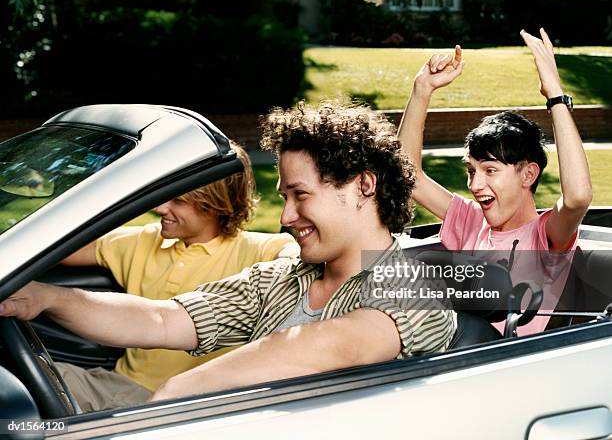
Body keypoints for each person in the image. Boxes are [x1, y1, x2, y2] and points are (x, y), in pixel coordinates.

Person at [0, 101, 456, 404]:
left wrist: (176, 393)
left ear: (363, 186)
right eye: (284, 197)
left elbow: (338, 343)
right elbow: (163, 320)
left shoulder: (414, 283)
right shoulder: (280, 279)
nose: (285, 217)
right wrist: (49, 298)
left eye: (301, 195)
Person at [51, 141, 298, 411]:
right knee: (32, 378)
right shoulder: (143, 241)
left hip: (188, 405)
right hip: (118, 385)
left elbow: (295, 257)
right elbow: (56, 247)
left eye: (178, 200)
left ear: (217, 204)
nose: (160, 207)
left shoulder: (256, 249)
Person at [398, 28, 592, 335]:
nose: (474, 185)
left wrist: (555, 94)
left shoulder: (545, 236)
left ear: (528, 174)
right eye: (471, 171)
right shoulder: (471, 223)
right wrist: (421, 90)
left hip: (510, 369)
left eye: (490, 171)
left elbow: (577, 198)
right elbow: (409, 177)